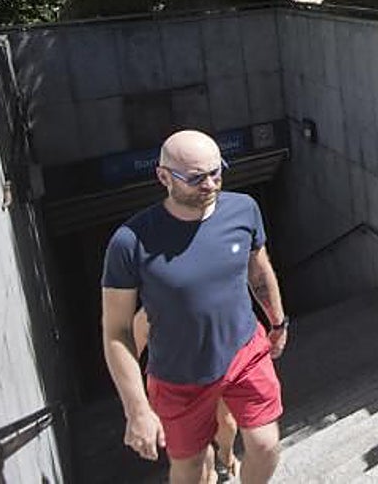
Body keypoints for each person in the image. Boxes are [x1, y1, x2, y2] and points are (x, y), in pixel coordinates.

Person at [101, 130, 289, 484]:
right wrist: (136, 408)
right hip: (178, 378)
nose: (210, 184)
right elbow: (117, 331)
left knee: (266, 446)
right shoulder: (129, 243)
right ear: (163, 177)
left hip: (244, 353)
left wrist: (277, 322)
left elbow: (258, 270)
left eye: (216, 172)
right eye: (196, 178)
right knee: (190, 470)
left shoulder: (244, 209)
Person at [133, 309, 240, 483]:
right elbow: (129, 355)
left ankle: (226, 454)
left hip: (214, 371)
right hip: (172, 388)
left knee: (227, 424)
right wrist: (138, 406)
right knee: (196, 448)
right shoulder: (149, 313)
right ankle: (209, 475)